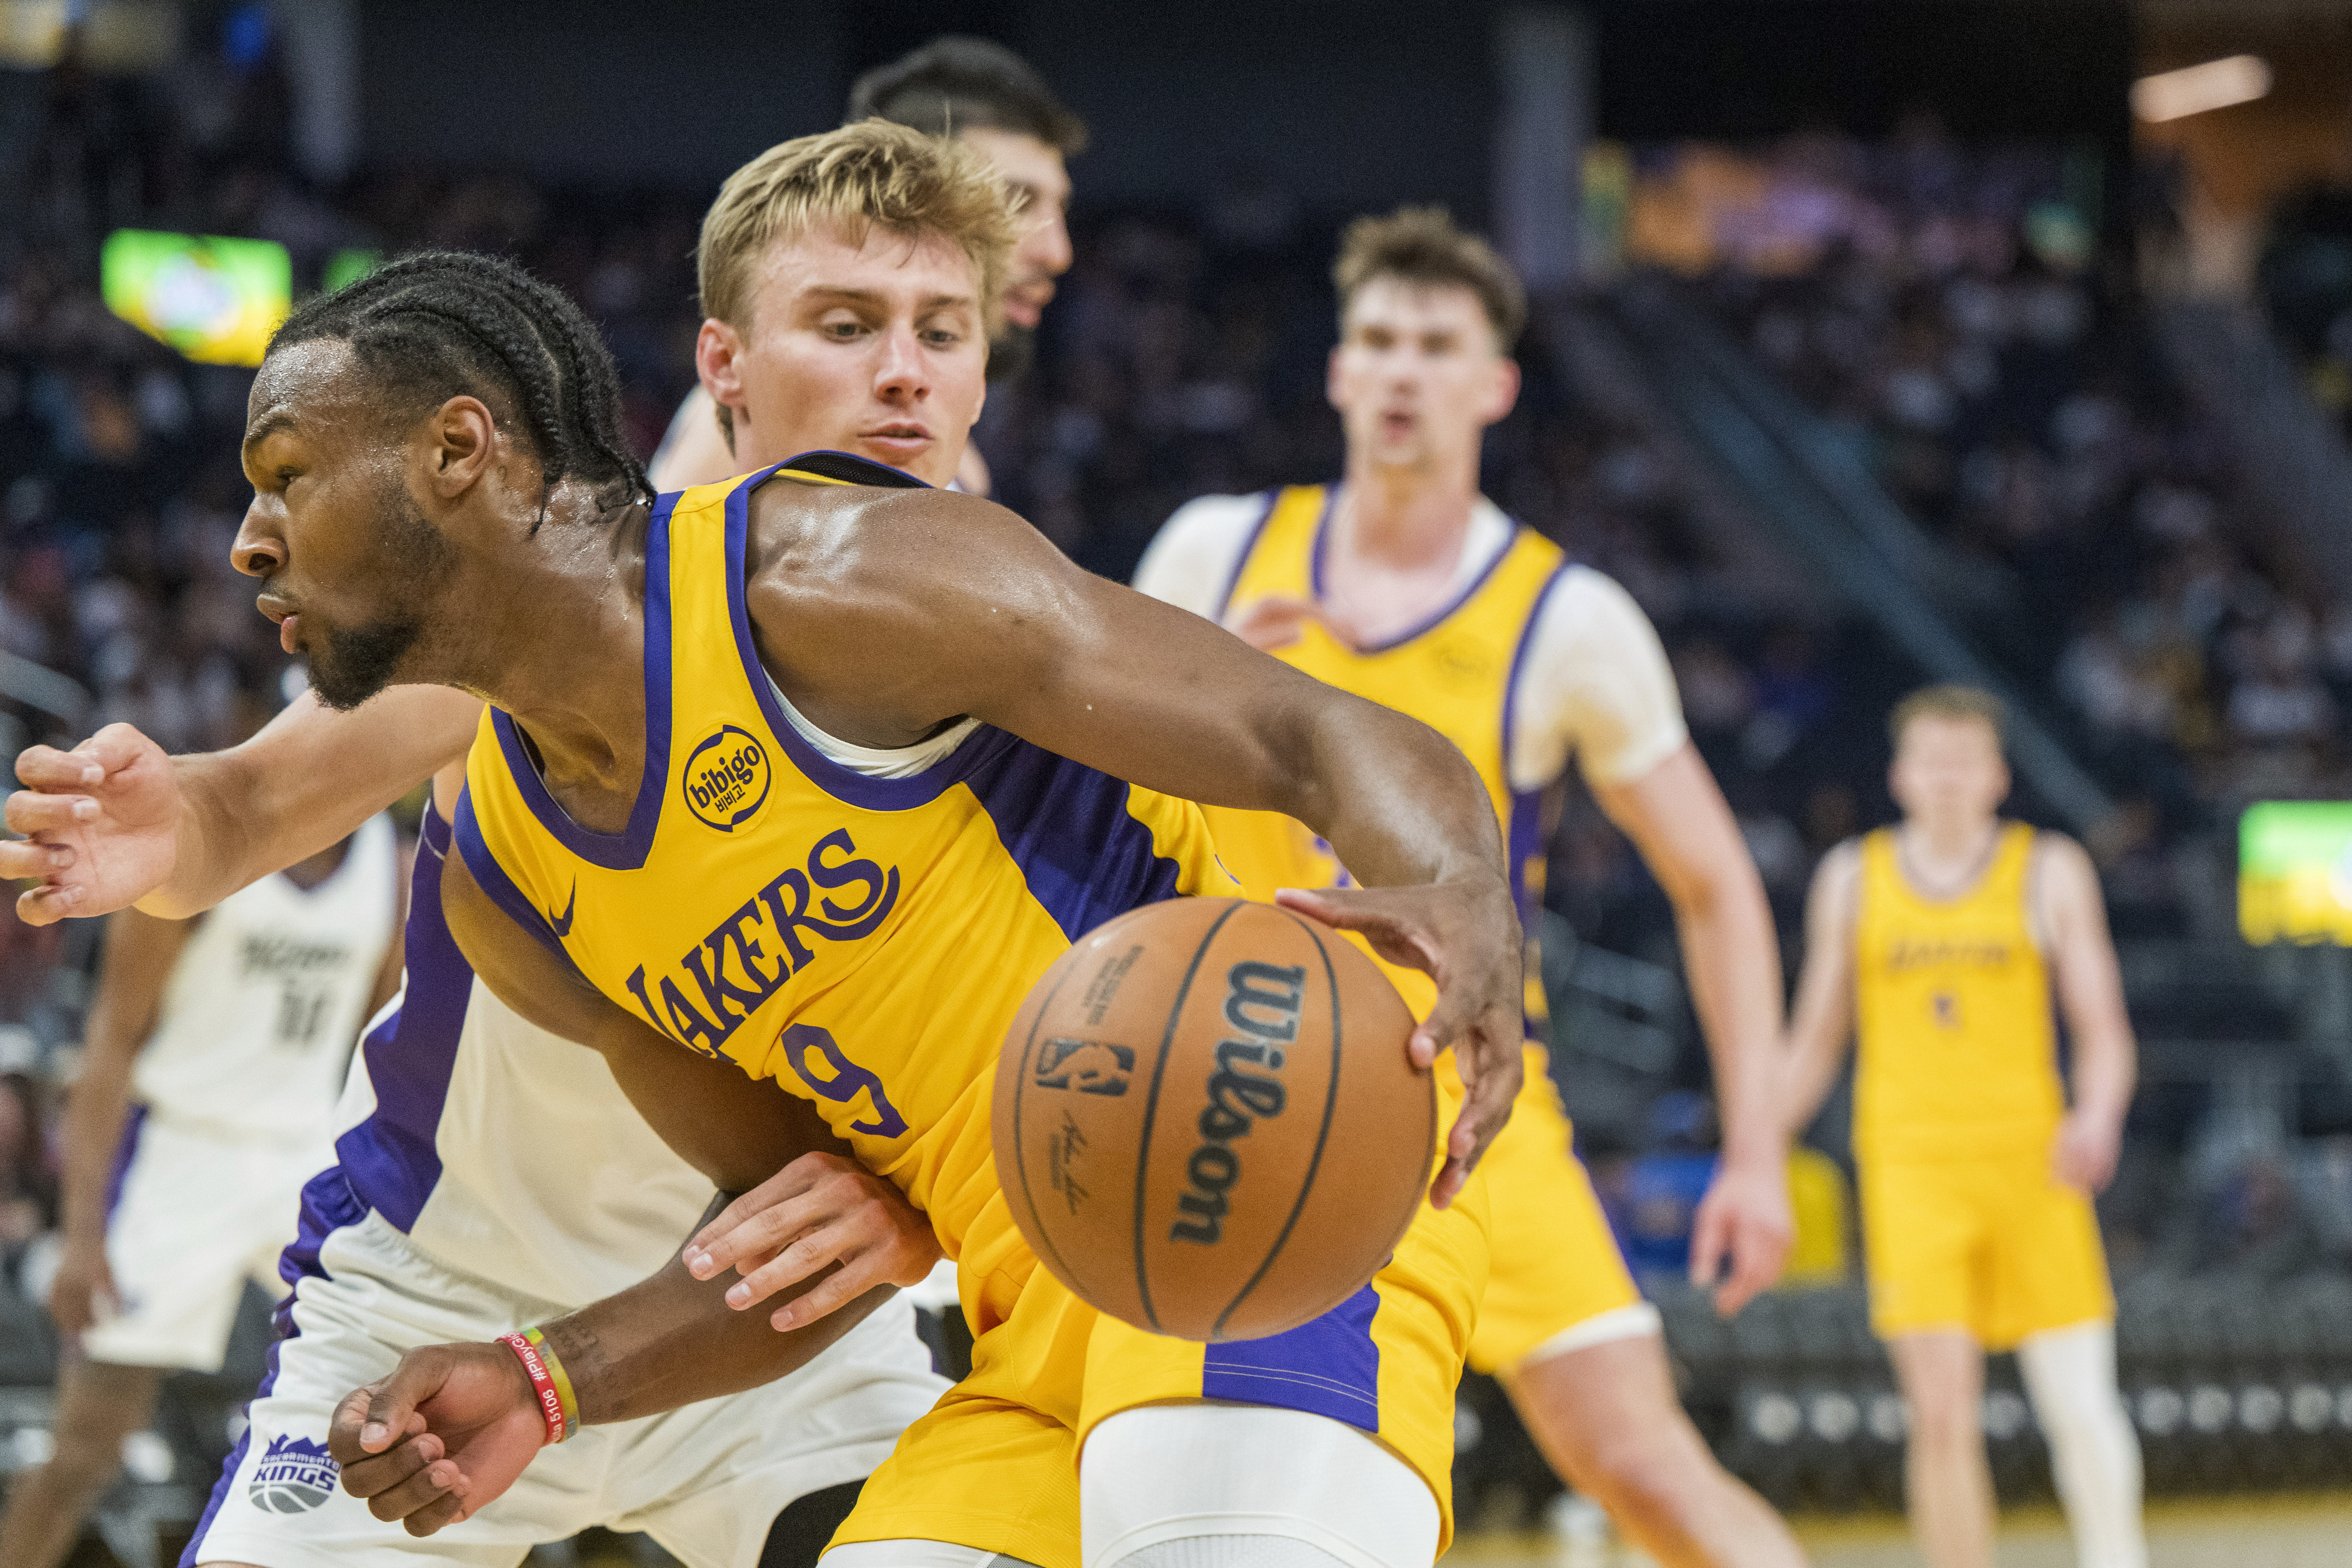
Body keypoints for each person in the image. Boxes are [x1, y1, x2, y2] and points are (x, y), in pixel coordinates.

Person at [6, 123, 1522, 1568]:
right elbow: (812, 1224)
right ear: (723, 362)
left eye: (947, 333)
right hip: (979, 1305)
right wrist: (549, 1379)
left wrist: (1458, 890)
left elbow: (1323, 737)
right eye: (852, 325)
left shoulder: (861, 571)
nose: (910, 378)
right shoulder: (506, 845)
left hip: (1238, 1185)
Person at [1132, 207, 1806, 1568]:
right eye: (1375, 340)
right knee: (1222, 1481)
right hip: (1232, 1081)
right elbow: (1087, 807)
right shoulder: (1214, 554)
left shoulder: (1569, 618)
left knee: (1645, 1465)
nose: (1399, 372)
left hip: (1464, 1094)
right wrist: (1201, 685)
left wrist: (1753, 1147)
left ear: (1494, 385)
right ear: (1333, 371)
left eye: (1436, 346)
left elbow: (1717, 882)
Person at [1781, 686, 2145, 1568]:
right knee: (1938, 1415)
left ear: (1996, 776)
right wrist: (1754, 1154)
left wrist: (2095, 1117)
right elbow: (1812, 1040)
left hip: (2034, 1165)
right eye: (1930, 761)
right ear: (1900, 775)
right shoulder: (1850, 878)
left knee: (2077, 1407)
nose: (1946, 777)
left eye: (1964, 761)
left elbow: (2102, 1030)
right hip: (1909, 1170)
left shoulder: (2047, 868)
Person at [0, 820, 402, 1568]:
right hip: (179, 1151)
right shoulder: (194, 852)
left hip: (306, 1151)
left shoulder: (392, 862)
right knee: (87, 1446)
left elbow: (376, 1050)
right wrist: (82, 1235)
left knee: (383, 1407)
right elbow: (111, 1039)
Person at [651, 35, 1078, 495]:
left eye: (938, 335)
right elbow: (664, 563)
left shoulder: (945, 449)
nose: (1057, 252)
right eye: (1016, 201)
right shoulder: (751, 419)